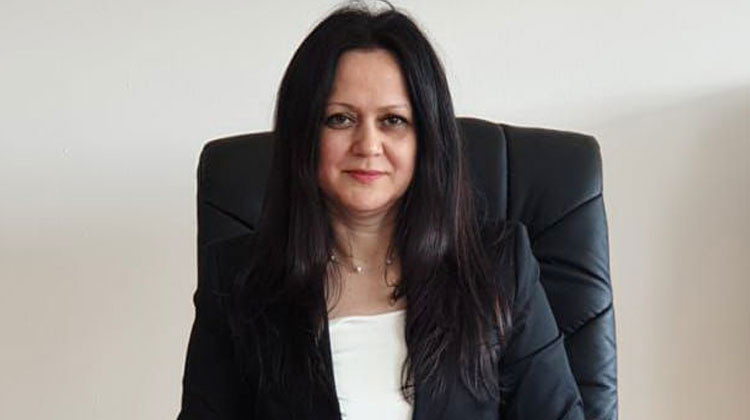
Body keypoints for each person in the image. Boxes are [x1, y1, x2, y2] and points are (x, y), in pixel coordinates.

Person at [178, 2, 584, 419]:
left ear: (426, 138)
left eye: (393, 120)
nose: (368, 145)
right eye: (340, 119)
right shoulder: (237, 283)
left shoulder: (497, 268)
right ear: (304, 135)